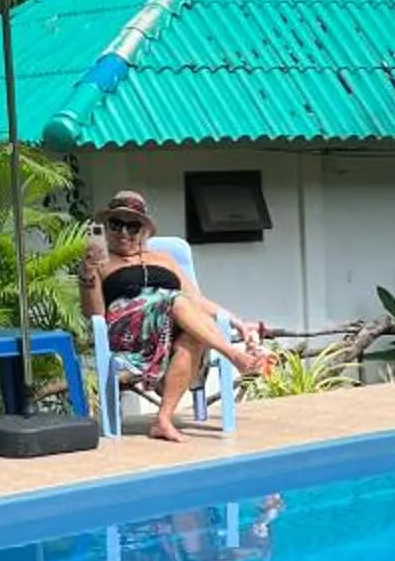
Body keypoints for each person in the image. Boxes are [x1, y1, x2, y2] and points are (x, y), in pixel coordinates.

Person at [80, 190, 267, 443]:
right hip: (128, 329)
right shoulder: (101, 264)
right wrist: (88, 275)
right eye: (116, 224)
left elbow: (197, 299)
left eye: (132, 226)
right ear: (106, 226)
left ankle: (163, 420)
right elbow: (95, 314)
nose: (124, 232)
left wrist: (236, 321)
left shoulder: (164, 259)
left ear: (144, 230)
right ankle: (234, 355)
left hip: (172, 320)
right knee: (175, 299)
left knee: (194, 338)